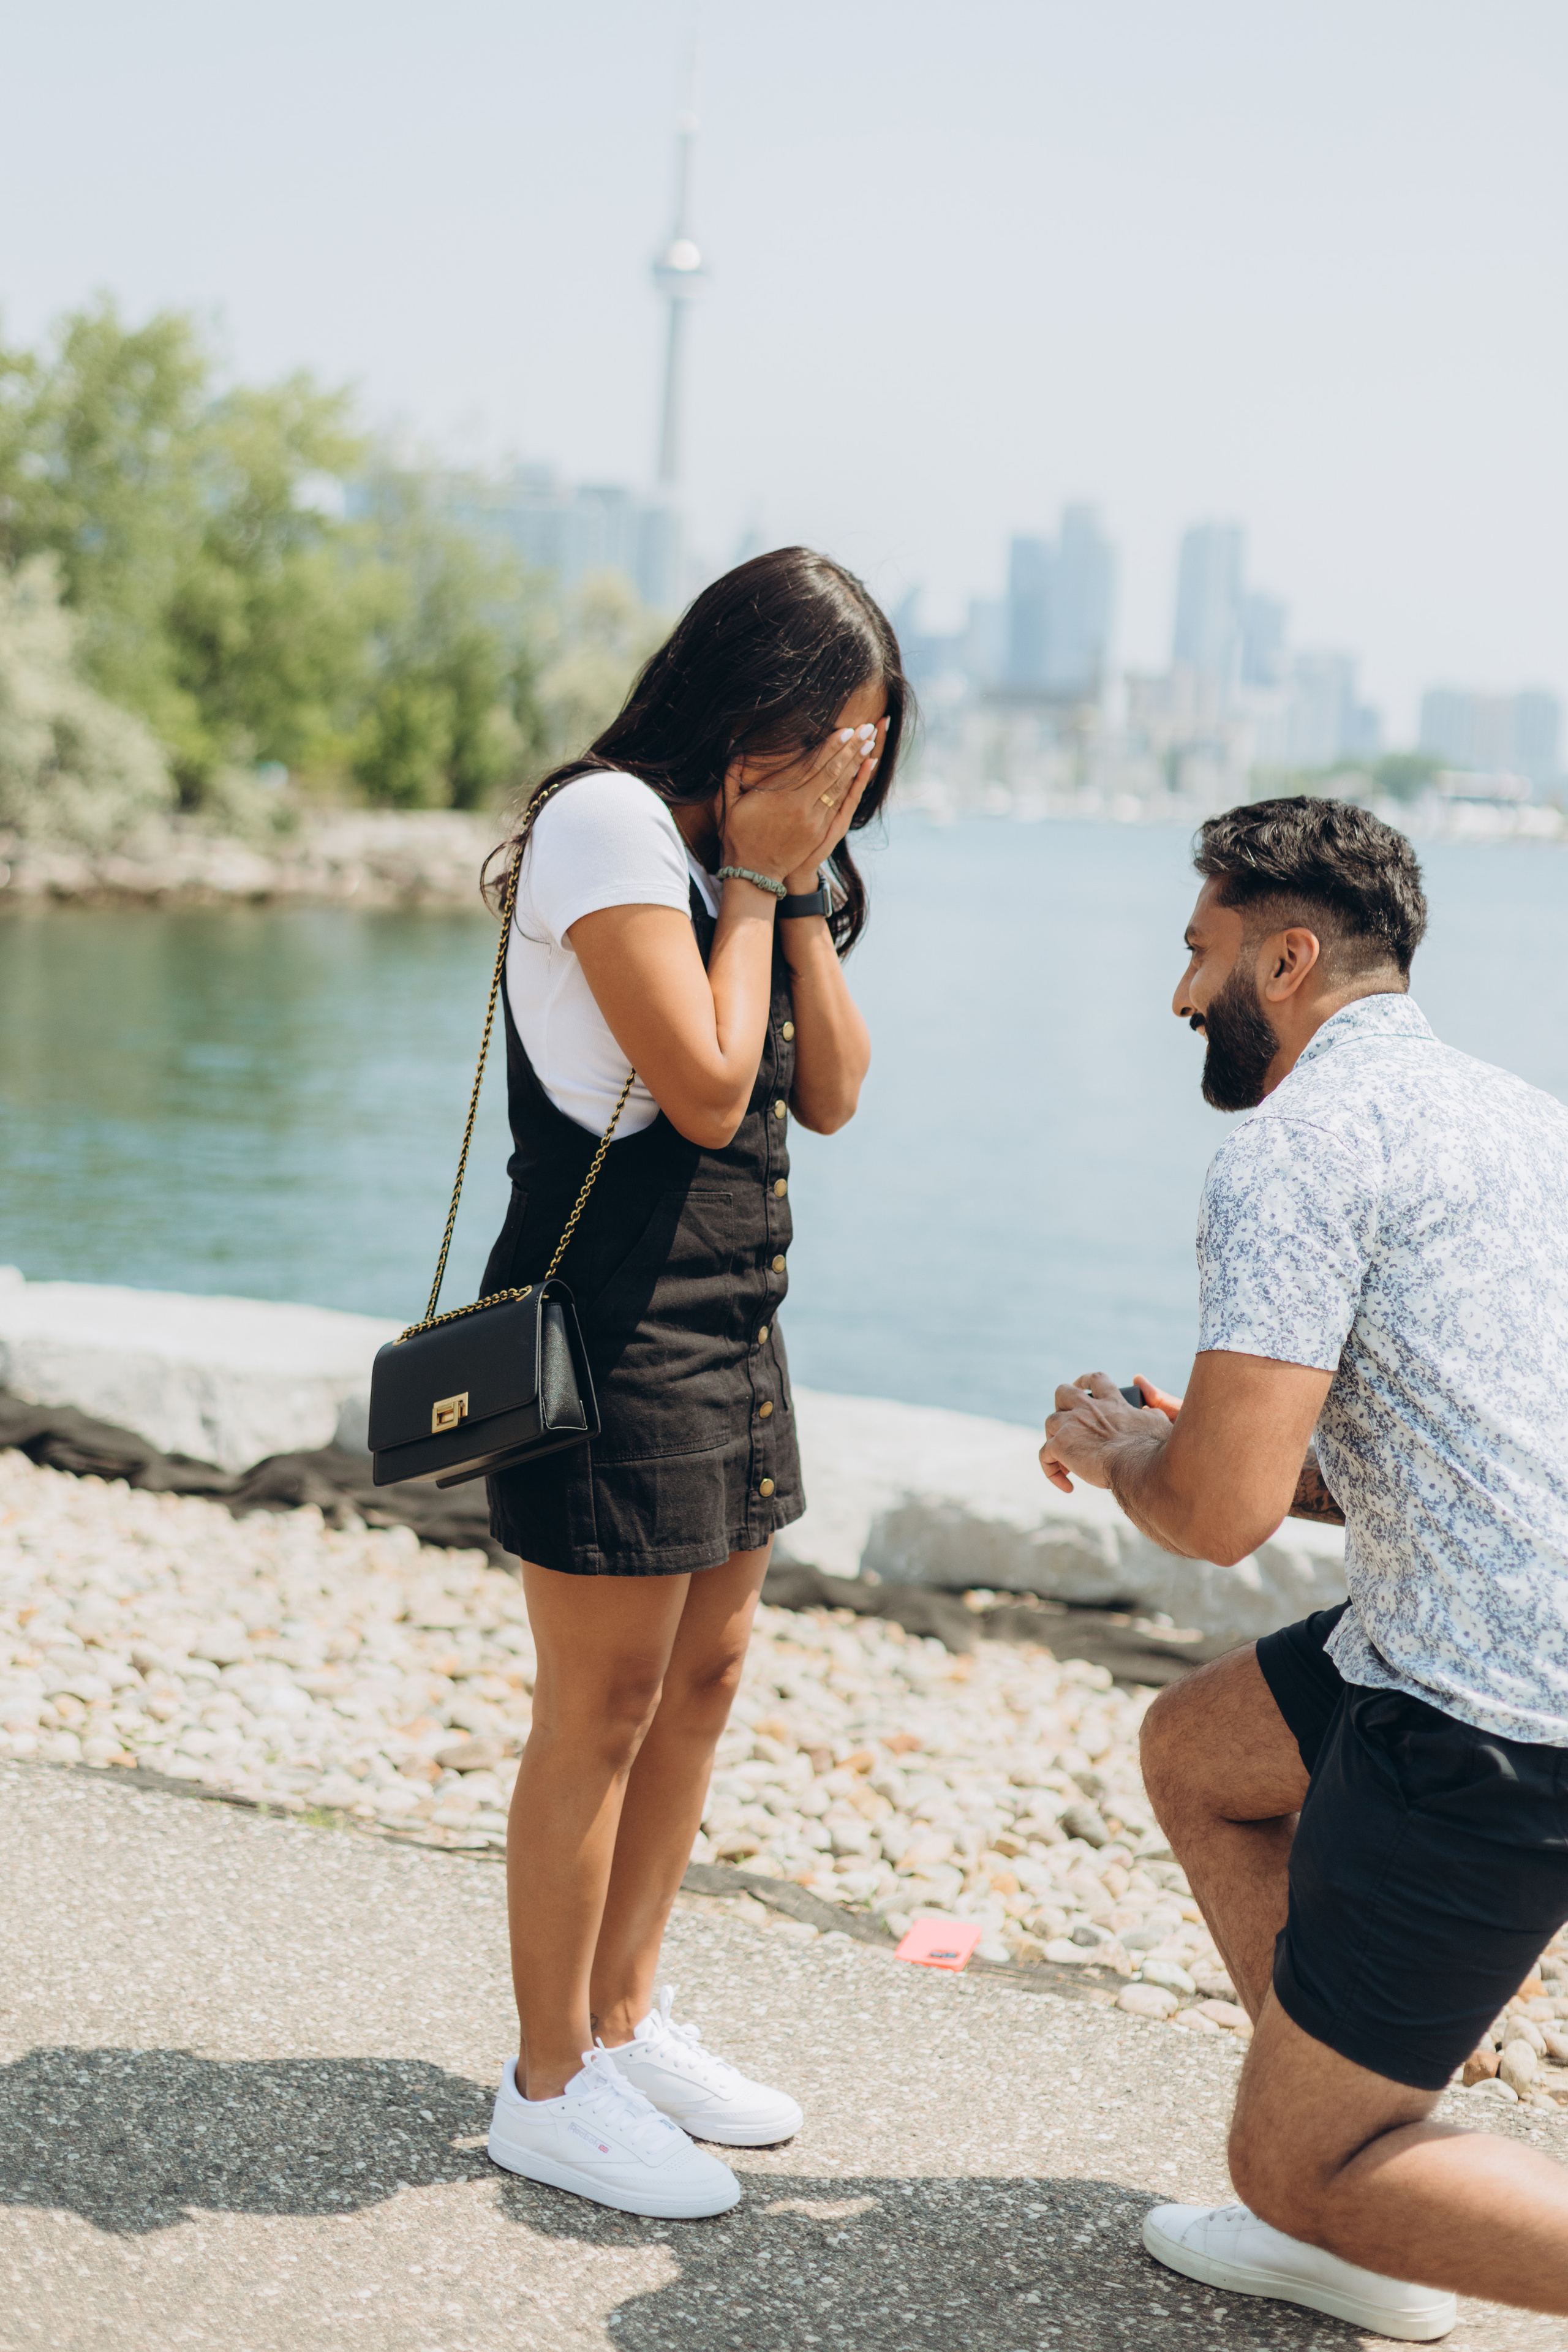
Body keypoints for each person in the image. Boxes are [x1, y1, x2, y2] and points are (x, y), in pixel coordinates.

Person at [1040, 794, 1568, 2338]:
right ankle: (1362, 2147)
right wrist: (1190, 1445)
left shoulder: (1293, 1151)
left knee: (1287, 2165)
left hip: (1492, 1711)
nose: (1178, 992)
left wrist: (1121, 1449)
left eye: (1198, 952)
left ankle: (1343, 2180)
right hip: (1493, 1635)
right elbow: (1442, 1447)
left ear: (1284, 958)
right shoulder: (1520, 1120)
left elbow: (1215, 1519)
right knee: (1199, 1752)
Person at [478, 547, 906, 2220]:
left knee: (704, 1680)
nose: (848, 774)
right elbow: (713, 1091)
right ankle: (546, 2080)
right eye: (837, 737)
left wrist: (796, 880)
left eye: (872, 749)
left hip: (732, 1319)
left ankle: (625, 2019)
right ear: (753, 709)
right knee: (597, 1707)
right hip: (607, 1324)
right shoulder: (610, 828)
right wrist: (751, 880)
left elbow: (841, 1086)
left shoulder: (754, 859)